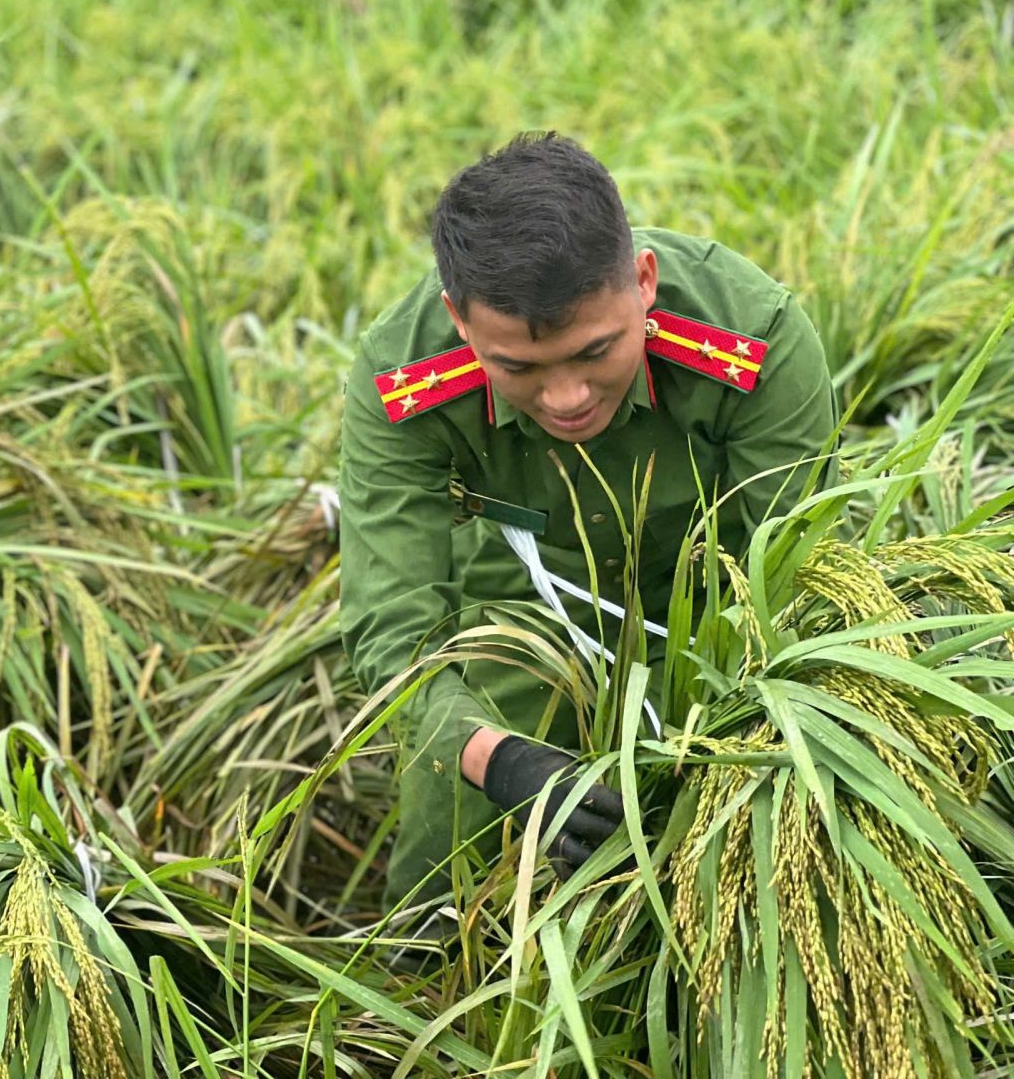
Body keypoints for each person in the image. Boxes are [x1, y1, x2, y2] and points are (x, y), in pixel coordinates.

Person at [339, 132, 837, 908]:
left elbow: (799, 581)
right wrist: (500, 763)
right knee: (447, 856)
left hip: (718, 592)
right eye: (520, 369)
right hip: (524, 599)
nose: (567, 397)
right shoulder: (402, 382)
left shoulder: (752, 341)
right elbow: (394, 634)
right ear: (459, 322)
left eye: (595, 352)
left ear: (643, 281)